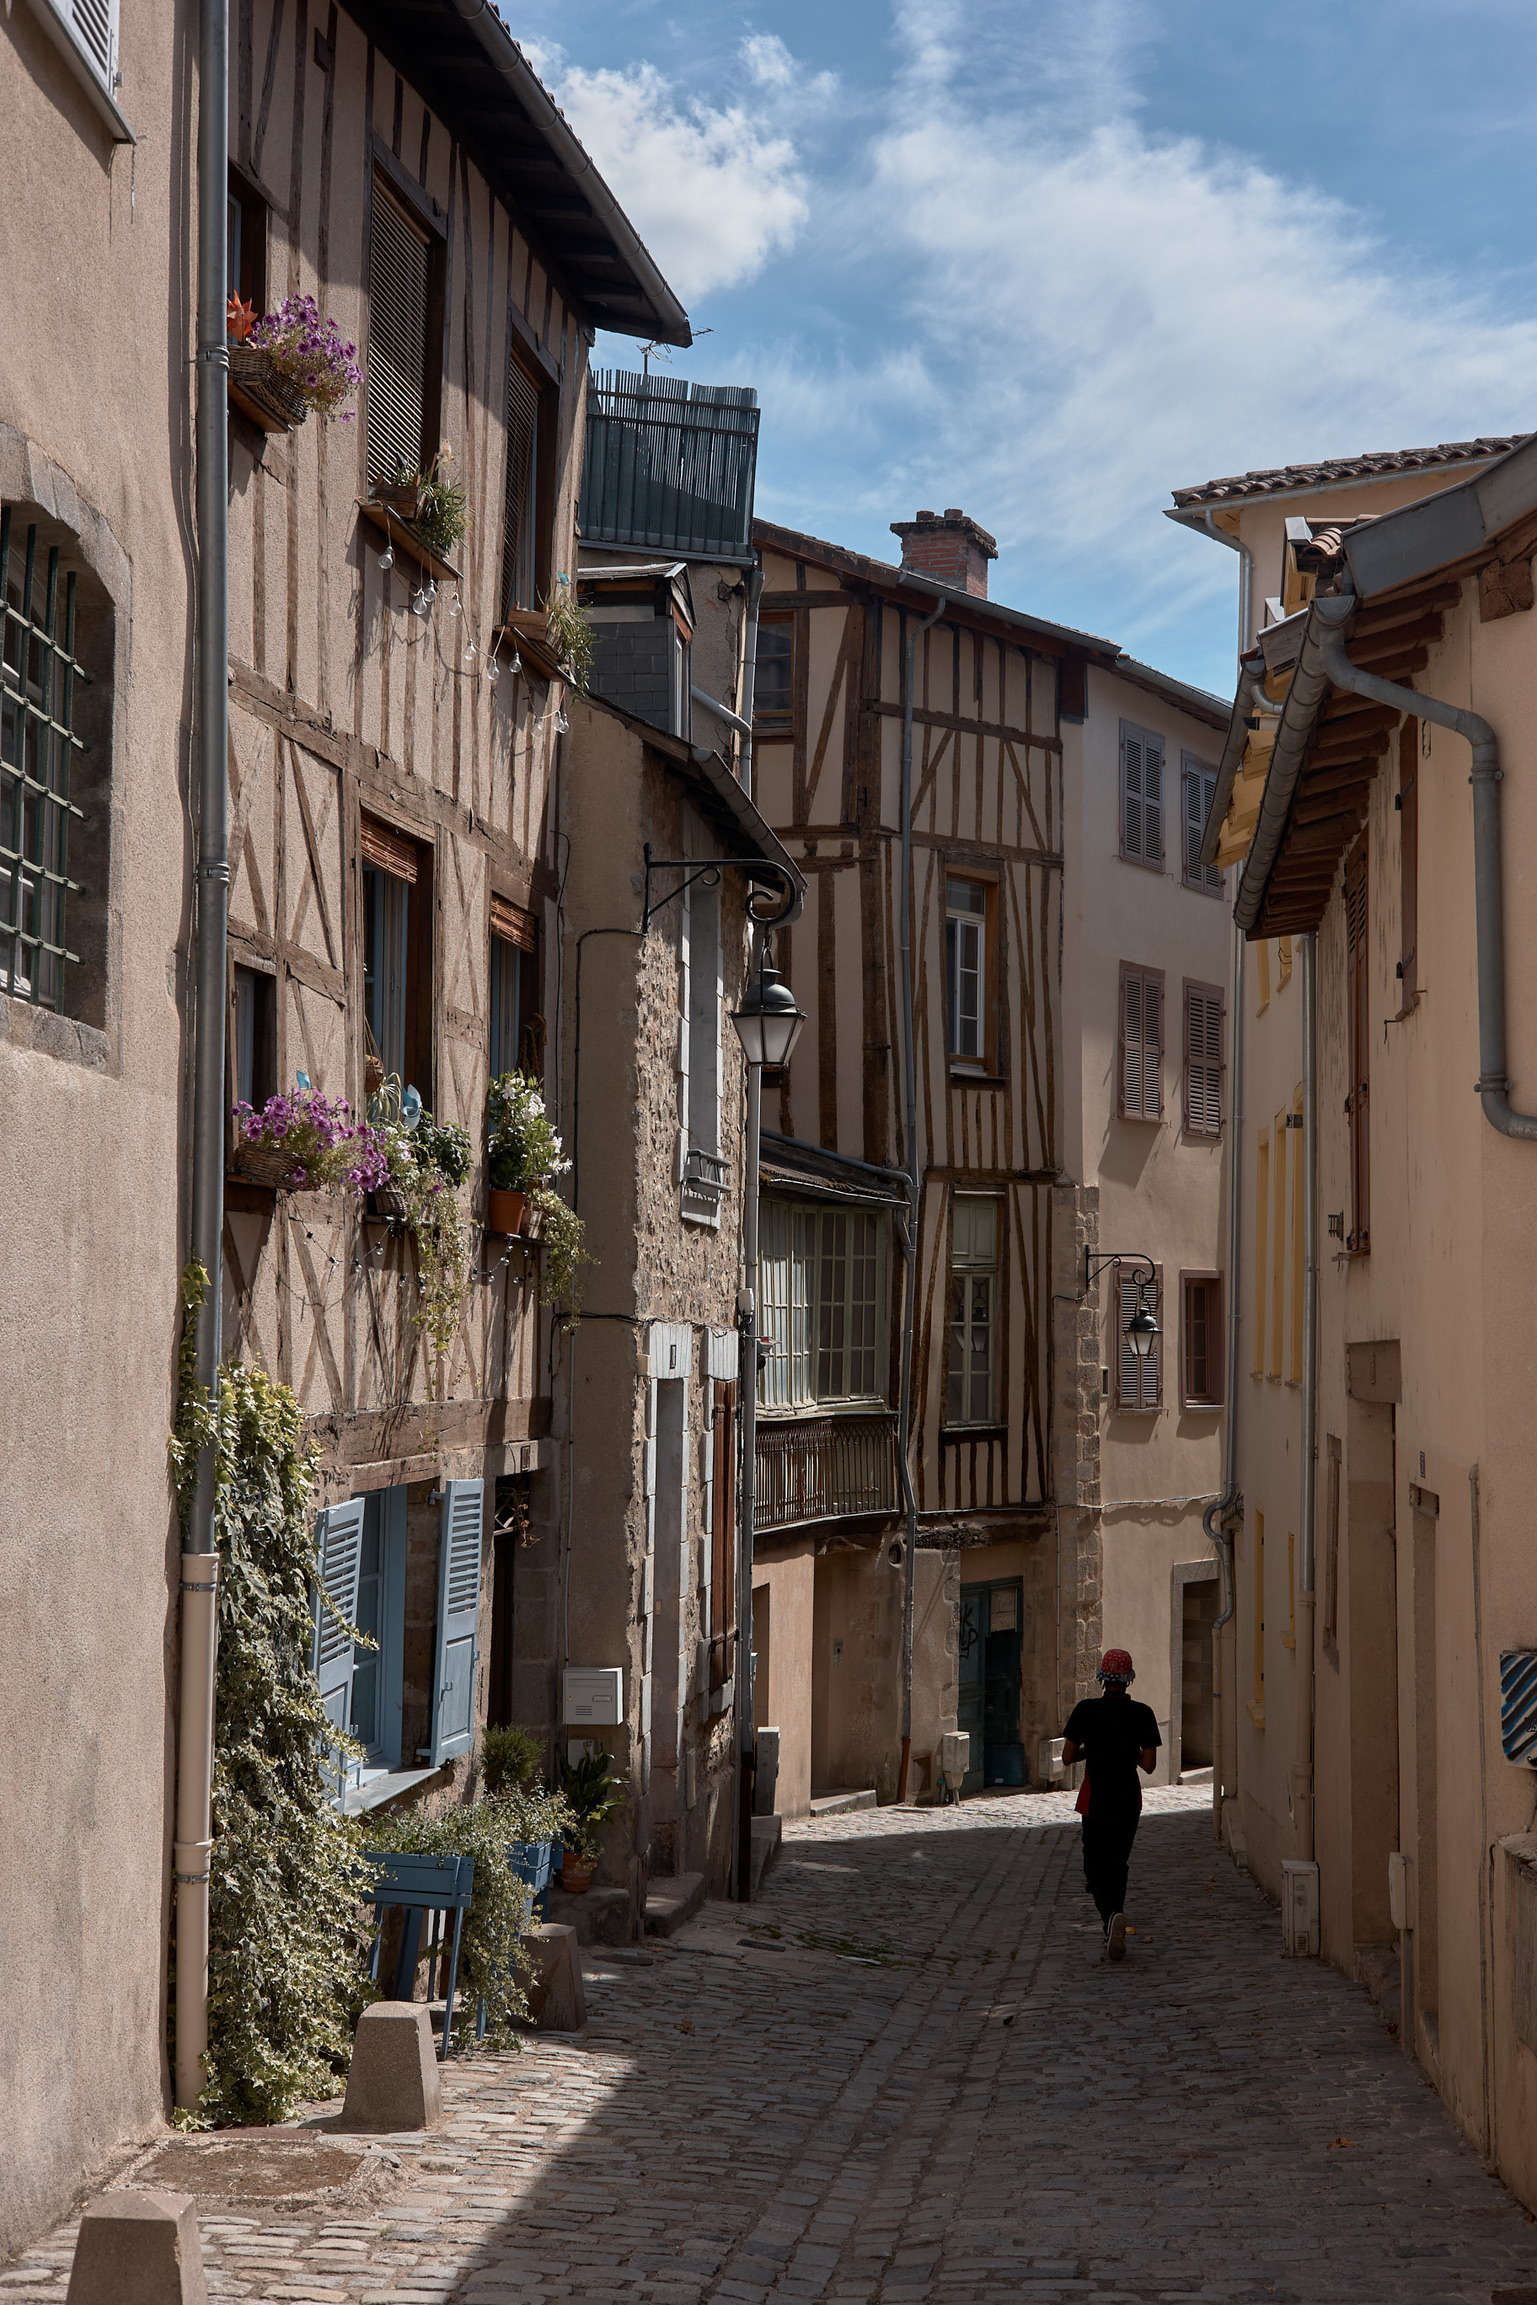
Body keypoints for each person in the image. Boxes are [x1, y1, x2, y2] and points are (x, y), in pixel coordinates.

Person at [1061, 1649, 1160, 1961]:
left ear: (1102, 1678)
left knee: (1094, 1863)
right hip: (1128, 1799)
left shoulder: (1086, 1710)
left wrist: (1092, 1749)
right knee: (1119, 1862)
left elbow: (1066, 1756)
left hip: (1096, 1798)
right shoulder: (1143, 1713)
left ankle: (1109, 1918)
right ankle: (1115, 1913)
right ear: (1129, 1679)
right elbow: (1149, 1765)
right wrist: (1125, 1751)